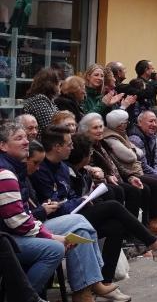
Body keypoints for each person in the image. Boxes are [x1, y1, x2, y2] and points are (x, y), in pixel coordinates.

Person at [31, 127, 157, 292]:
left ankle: (105, 282)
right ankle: (155, 245)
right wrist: (80, 200)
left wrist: (82, 197)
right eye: (68, 144)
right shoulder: (41, 170)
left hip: (74, 213)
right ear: (57, 147)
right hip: (57, 220)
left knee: (115, 227)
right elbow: (55, 204)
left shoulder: (61, 166)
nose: (71, 147)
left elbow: (68, 195)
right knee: (113, 206)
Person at [0, 121, 115, 302]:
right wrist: (51, 236)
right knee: (55, 248)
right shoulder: (6, 173)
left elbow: (24, 214)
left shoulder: (17, 168)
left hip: (19, 229)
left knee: (81, 224)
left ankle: (87, 287)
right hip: (8, 237)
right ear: (3, 146)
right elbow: (17, 221)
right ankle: (25, 297)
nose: (25, 142)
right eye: (19, 138)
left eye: (25, 138)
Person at [101, 109, 157, 234]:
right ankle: (151, 222)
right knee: (155, 183)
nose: (127, 124)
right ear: (119, 124)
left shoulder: (124, 134)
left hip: (134, 171)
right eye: (151, 121)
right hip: (128, 172)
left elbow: (149, 159)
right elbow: (132, 157)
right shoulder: (115, 137)